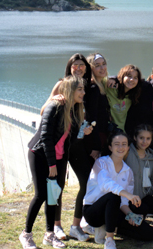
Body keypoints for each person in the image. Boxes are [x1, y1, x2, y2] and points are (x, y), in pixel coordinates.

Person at [21, 76, 89, 249]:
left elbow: (69, 141)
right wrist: (51, 164)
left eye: (83, 89)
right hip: (40, 155)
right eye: (79, 89)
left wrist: (82, 133)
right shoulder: (55, 106)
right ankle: (26, 234)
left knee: (54, 196)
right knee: (41, 195)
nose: (83, 92)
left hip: (58, 158)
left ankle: (49, 235)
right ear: (70, 90)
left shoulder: (74, 110)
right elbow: (45, 137)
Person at [82, 130, 153, 249]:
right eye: (117, 144)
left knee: (149, 233)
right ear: (110, 147)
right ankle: (109, 240)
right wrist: (128, 194)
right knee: (113, 196)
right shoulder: (101, 162)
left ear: (128, 147)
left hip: (114, 212)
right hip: (93, 212)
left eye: (124, 144)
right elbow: (106, 184)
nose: (121, 147)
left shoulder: (128, 171)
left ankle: (111, 228)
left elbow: (123, 203)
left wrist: (130, 215)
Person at [58, 54, 99, 242]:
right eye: (75, 65)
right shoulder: (62, 85)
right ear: (69, 67)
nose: (78, 68)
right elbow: (45, 110)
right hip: (60, 146)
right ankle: (55, 227)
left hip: (77, 145)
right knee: (57, 187)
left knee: (86, 182)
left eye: (82, 65)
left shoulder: (89, 88)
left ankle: (75, 226)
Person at [125, 124, 153, 219]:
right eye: (141, 138)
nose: (144, 141)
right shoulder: (127, 152)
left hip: (142, 197)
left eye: (148, 138)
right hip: (127, 198)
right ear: (135, 137)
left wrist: (149, 192)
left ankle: (141, 214)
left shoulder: (151, 156)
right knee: (142, 208)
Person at [106, 64, 142, 133]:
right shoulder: (110, 88)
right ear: (122, 76)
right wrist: (112, 78)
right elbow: (98, 80)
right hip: (106, 130)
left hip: (121, 133)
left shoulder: (133, 96)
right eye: (129, 76)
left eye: (135, 77)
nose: (132, 80)